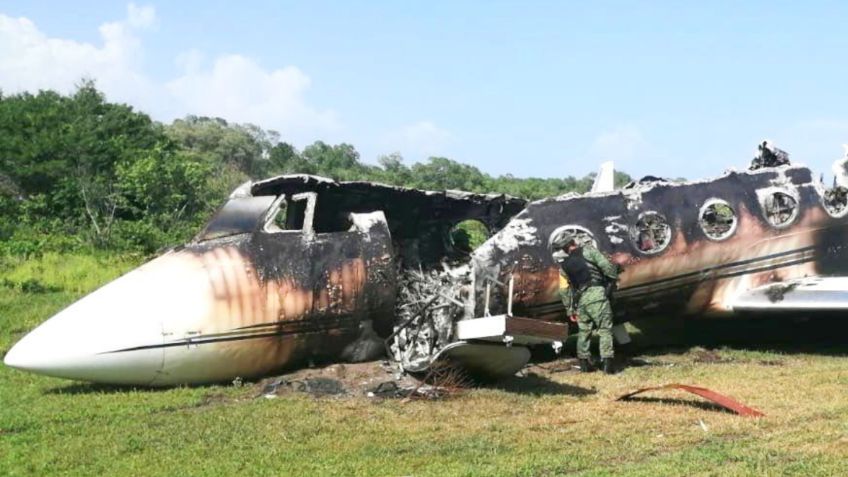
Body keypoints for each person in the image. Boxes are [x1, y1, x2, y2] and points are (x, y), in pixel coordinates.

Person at [553, 232, 620, 374]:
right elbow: (607, 266)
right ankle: (608, 365)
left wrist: (570, 310)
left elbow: (564, 290)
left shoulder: (563, 267)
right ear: (573, 242)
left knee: (584, 332)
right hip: (597, 295)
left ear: (563, 248)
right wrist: (613, 279)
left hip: (581, 302)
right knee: (605, 330)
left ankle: (584, 364)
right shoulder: (589, 251)